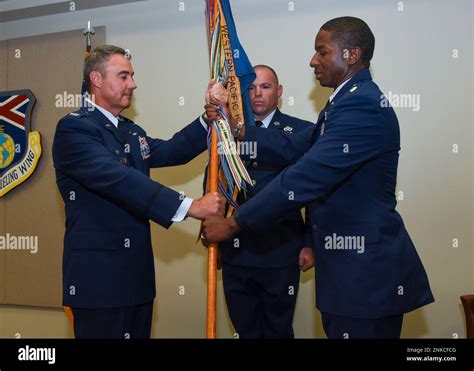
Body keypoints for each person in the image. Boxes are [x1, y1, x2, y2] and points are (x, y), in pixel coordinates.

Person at [203, 17, 434, 339]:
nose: (313, 61)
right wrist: (237, 125)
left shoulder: (361, 105)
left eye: (321, 52)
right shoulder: (346, 100)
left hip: (364, 275)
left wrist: (232, 224)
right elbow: (294, 145)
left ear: (351, 55)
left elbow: (304, 176)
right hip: (349, 271)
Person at [52, 45, 224, 338]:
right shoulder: (74, 129)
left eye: (131, 76)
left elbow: (171, 150)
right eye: (124, 76)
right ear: (96, 78)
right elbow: (118, 178)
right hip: (99, 282)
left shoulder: (129, 130)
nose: (133, 84)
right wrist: (190, 206)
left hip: (137, 278)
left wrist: (205, 119)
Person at [218, 65, 314, 338]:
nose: (257, 94)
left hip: (281, 249)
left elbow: (315, 193)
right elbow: (216, 182)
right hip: (236, 250)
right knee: (244, 328)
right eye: (250, 87)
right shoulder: (227, 131)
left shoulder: (301, 132)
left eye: (265, 87)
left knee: (277, 329)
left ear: (279, 91)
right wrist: (213, 237)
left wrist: (310, 243)